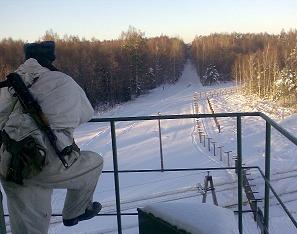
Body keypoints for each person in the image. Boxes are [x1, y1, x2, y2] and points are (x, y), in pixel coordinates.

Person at [0, 41, 104, 233]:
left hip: (11, 165)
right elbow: (85, 113)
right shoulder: (63, 81)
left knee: (27, 229)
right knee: (94, 163)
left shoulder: (9, 83)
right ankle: (75, 212)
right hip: (46, 163)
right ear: (50, 58)